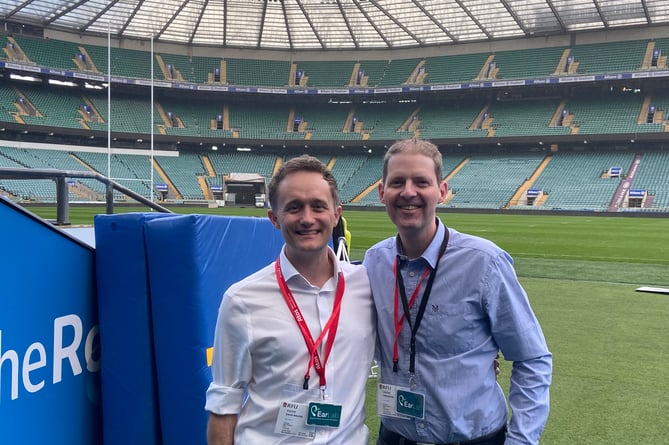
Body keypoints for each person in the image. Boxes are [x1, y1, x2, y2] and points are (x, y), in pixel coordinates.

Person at [363, 139, 552, 445]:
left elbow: (532, 358)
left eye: (421, 182)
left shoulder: (485, 263)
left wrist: (521, 441)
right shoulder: (373, 263)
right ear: (382, 192)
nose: (408, 192)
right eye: (398, 182)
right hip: (395, 437)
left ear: (442, 191)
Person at [205, 155, 375, 444]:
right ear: (274, 218)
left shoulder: (366, 286)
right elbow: (224, 407)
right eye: (294, 207)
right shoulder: (242, 300)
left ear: (336, 215)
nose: (307, 218)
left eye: (318, 206)